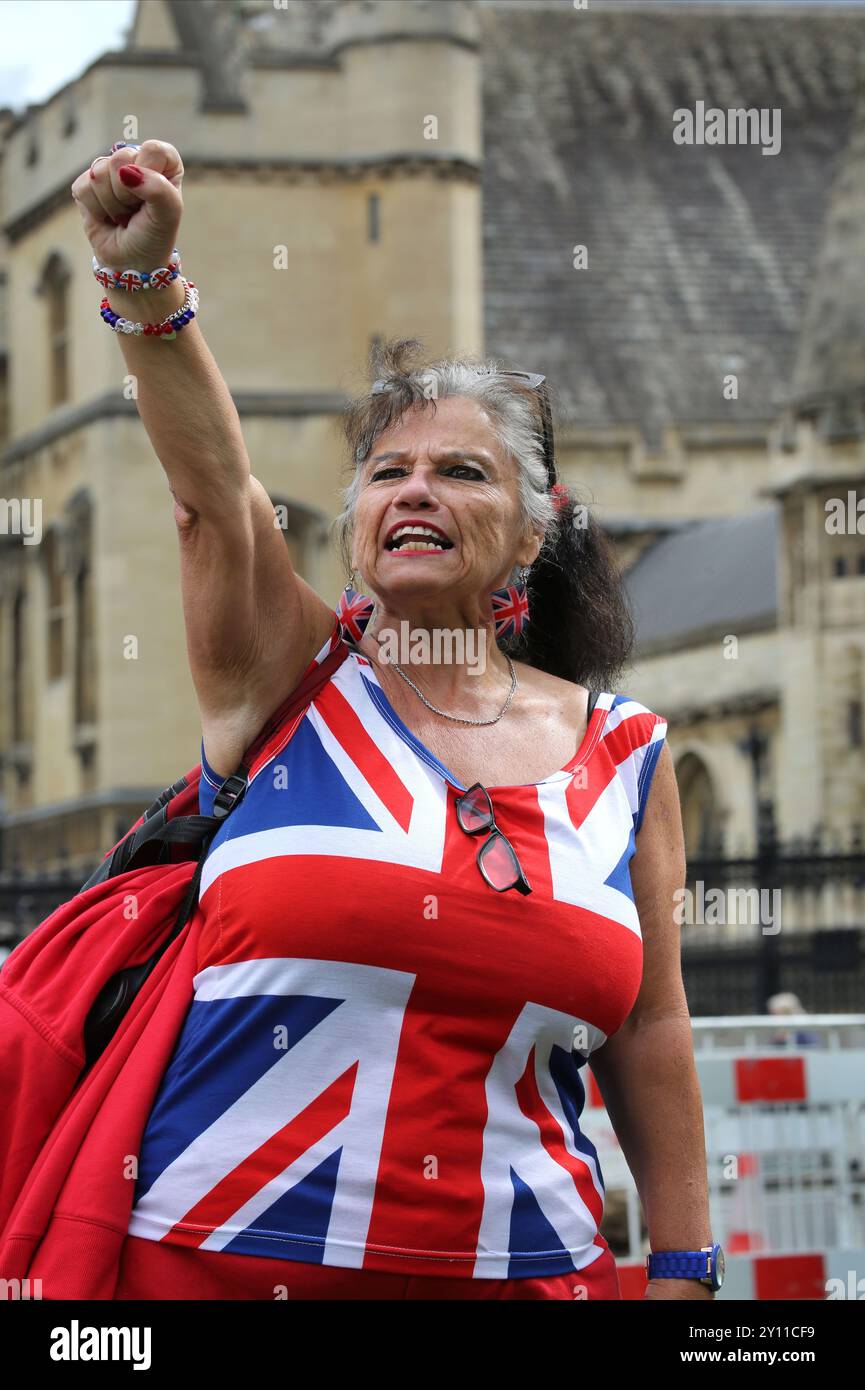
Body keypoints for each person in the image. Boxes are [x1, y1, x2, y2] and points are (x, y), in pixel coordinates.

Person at [68, 138, 716, 1302]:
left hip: (524, 1274)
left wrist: (683, 1267)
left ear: (530, 535)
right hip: (206, 1273)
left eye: (462, 473)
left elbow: (650, 1027)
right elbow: (214, 496)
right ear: (355, 514)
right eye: (385, 470)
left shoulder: (626, 754)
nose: (413, 489)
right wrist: (145, 286)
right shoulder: (288, 675)